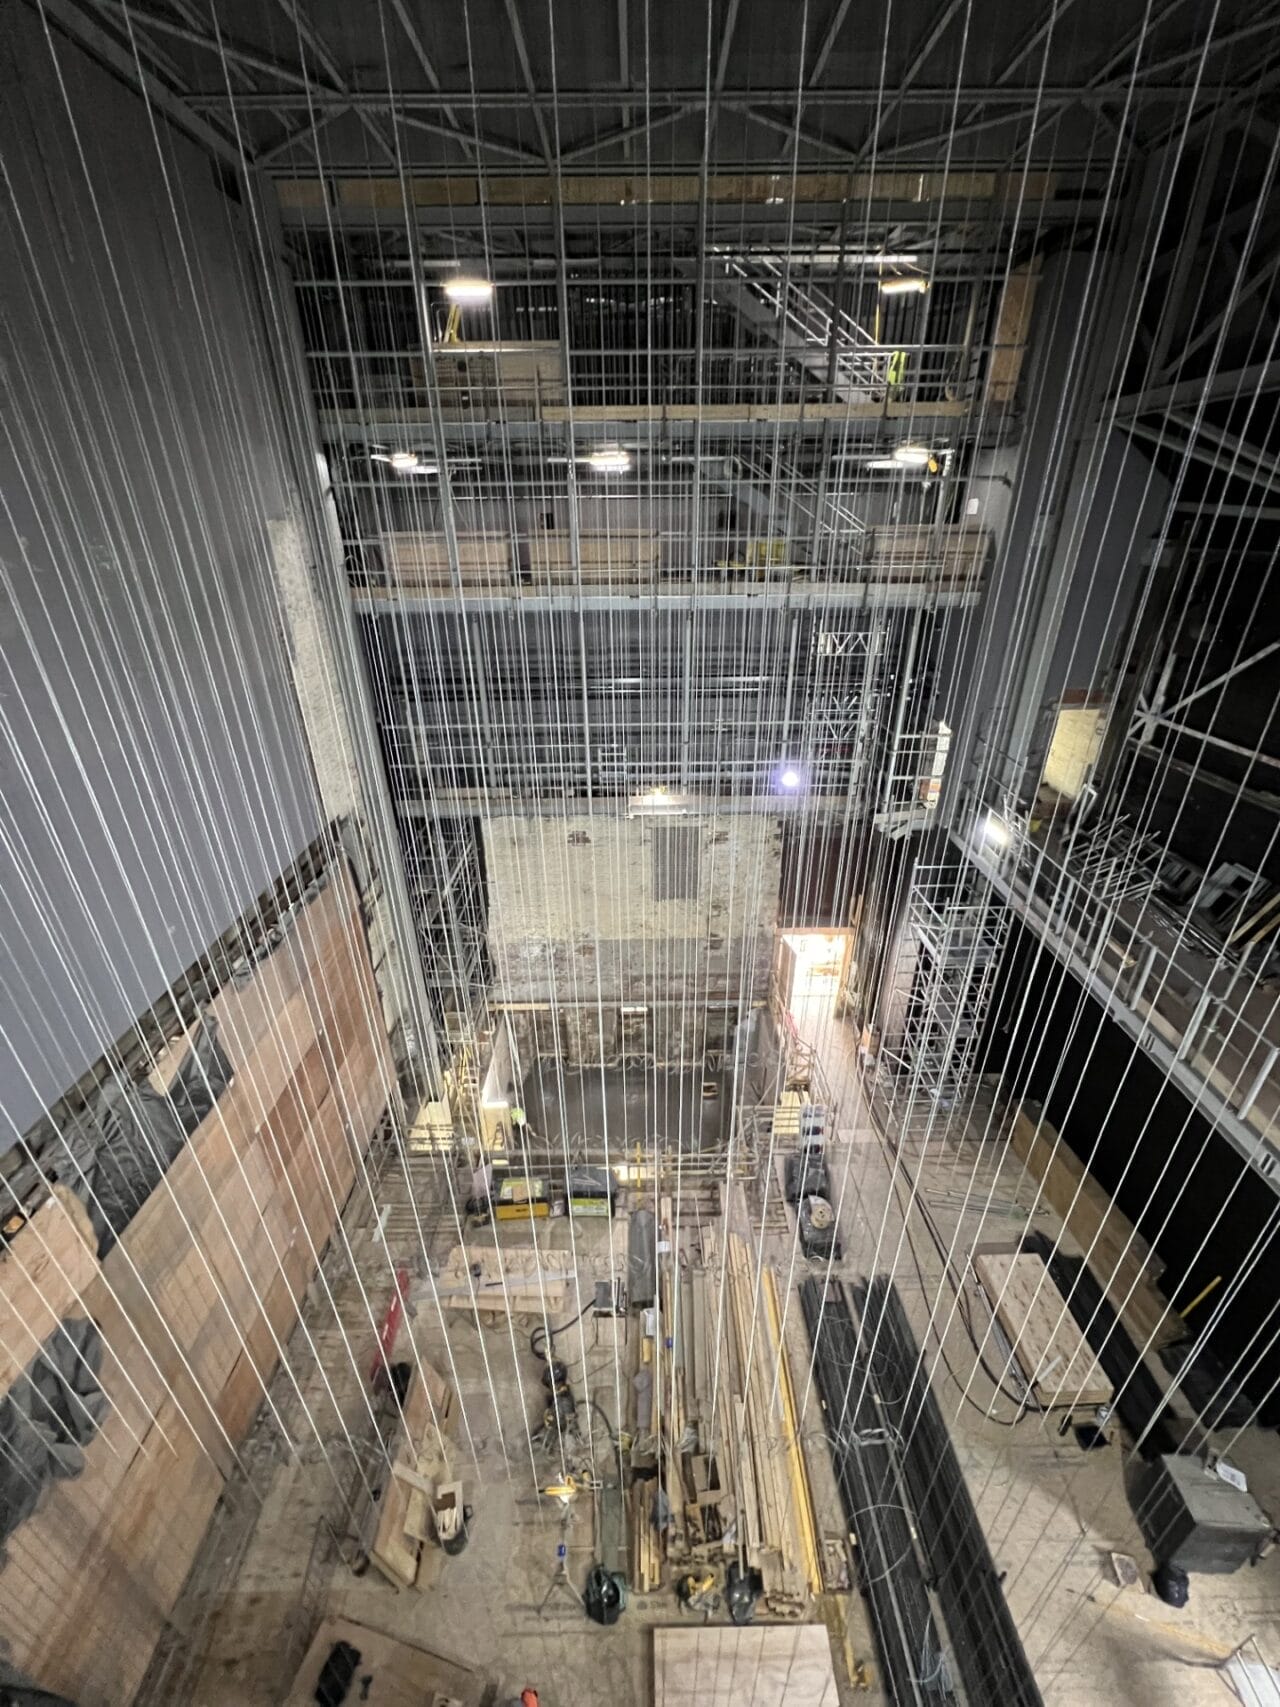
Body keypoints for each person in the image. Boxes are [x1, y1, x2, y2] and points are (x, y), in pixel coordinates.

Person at [465, 1151, 494, 1221]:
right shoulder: (482, 1169)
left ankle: (482, 1215)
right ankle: (482, 1215)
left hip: (482, 1188)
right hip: (482, 1189)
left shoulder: (483, 1169)